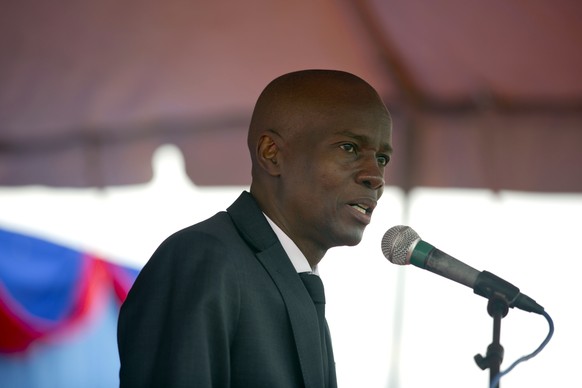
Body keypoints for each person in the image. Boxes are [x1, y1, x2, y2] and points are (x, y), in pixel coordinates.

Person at [117, 69, 393, 388]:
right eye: (349, 148)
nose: (376, 176)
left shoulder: (291, 278)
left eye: (383, 158)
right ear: (271, 154)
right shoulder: (203, 259)